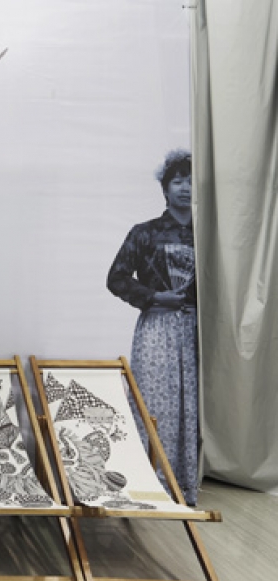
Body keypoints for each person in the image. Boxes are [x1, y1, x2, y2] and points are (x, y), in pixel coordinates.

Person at [106, 149, 199, 505]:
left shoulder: (208, 235)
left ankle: (187, 483)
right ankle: (149, 480)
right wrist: (155, 297)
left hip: (196, 330)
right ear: (165, 188)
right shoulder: (144, 232)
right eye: (178, 182)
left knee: (191, 405)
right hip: (157, 329)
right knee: (154, 404)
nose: (185, 188)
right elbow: (116, 278)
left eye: (191, 182)